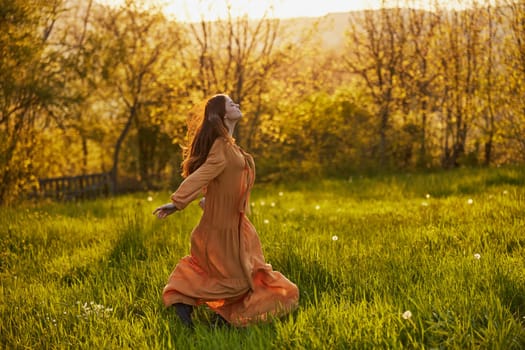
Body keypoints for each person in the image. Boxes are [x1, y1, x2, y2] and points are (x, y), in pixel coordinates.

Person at [153, 94, 299, 328]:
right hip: (221, 227)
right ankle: (186, 297)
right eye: (231, 104)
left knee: (255, 276)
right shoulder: (221, 146)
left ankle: (221, 316)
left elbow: (218, 179)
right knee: (240, 282)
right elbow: (204, 173)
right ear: (221, 115)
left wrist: (207, 197)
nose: (238, 105)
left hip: (237, 224)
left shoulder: (229, 145)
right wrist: (178, 202)